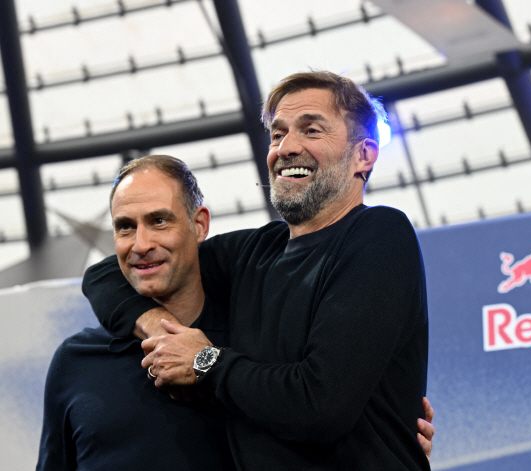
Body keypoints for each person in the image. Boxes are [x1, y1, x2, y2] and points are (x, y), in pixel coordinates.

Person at [83, 71, 432, 470]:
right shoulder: (255, 252)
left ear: (364, 156)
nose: (286, 148)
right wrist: (162, 333)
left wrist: (204, 362)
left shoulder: (379, 235)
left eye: (311, 131)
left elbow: (319, 407)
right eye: (277, 134)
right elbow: (107, 274)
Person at [37, 155, 234, 470]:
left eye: (159, 220)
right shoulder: (74, 360)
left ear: (199, 225)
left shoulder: (254, 340)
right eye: (126, 227)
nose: (141, 244)